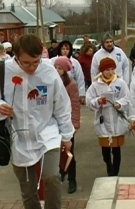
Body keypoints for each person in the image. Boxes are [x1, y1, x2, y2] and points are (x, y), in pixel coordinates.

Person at [0, 34, 74, 209]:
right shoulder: (3, 71)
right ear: (15, 56)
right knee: (28, 189)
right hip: (18, 136)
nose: (32, 67)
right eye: (26, 63)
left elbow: (62, 105)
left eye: (35, 62)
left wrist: (67, 136)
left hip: (47, 132)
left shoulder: (48, 72)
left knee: (52, 176)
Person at [86, 57, 131, 176]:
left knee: (116, 150)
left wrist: (119, 104)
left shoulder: (120, 83)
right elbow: (89, 102)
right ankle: (108, 164)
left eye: (112, 69)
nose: (110, 72)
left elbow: (127, 98)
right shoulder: (95, 85)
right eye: (107, 69)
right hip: (103, 121)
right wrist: (98, 101)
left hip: (117, 120)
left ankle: (114, 173)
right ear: (102, 70)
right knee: (106, 150)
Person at [53, 56, 80, 194]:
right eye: (56, 68)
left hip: (68, 123)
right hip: (53, 125)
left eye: (60, 68)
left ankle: (72, 179)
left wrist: (75, 124)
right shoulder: (50, 82)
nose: (57, 70)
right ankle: (61, 173)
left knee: (69, 152)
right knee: (55, 152)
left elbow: (75, 105)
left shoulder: (71, 85)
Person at [50, 40, 86, 104]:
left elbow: (80, 78)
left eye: (67, 49)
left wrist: (82, 94)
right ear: (59, 49)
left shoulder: (75, 63)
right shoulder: (52, 61)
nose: (65, 51)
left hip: (71, 92)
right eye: (63, 49)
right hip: (56, 91)